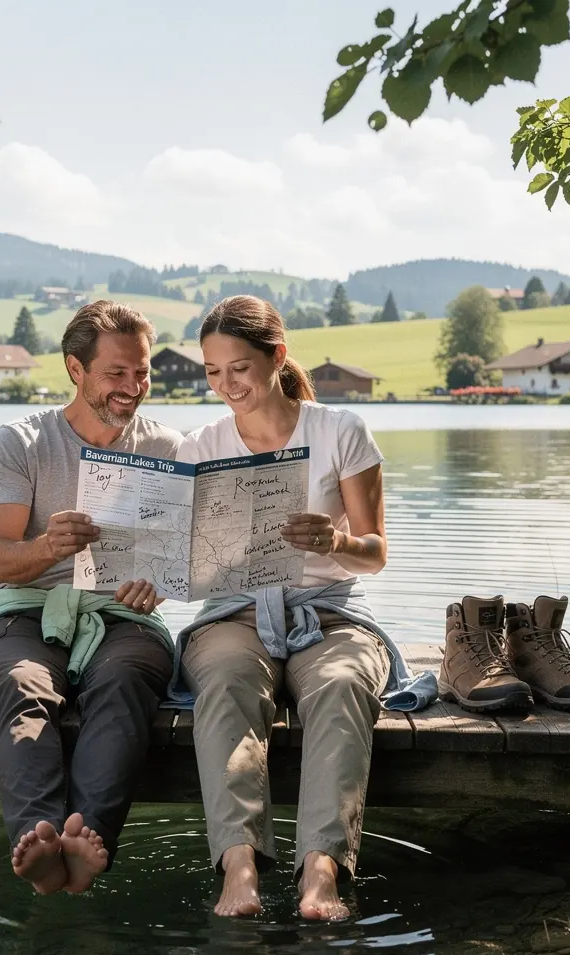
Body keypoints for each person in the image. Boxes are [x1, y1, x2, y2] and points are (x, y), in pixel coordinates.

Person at [160, 295, 434, 921]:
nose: (226, 385)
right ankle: (239, 869)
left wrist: (335, 541)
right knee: (226, 682)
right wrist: (151, 575)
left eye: (239, 368)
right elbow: (175, 555)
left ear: (277, 357)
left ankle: (321, 873)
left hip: (329, 613)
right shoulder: (199, 446)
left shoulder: (340, 431)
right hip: (233, 613)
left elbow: (375, 552)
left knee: (341, 685)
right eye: (211, 372)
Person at [0, 300, 182, 896]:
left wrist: (156, 581)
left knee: (126, 681)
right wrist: (49, 546)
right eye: (116, 373)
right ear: (75, 369)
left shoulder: (169, 448)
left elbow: (180, 558)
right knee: (21, 682)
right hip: (28, 608)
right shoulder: (21, 442)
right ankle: (39, 841)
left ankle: (86, 842)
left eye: (142, 372)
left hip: (124, 615)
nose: (134, 387)